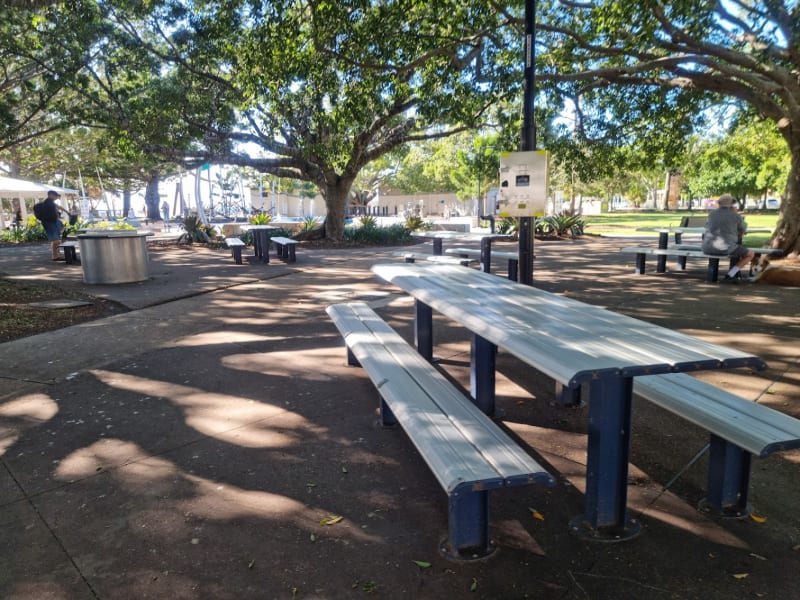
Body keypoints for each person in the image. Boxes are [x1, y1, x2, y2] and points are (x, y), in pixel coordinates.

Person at [701, 194, 755, 283]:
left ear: (718, 203)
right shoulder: (735, 216)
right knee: (750, 254)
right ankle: (731, 274)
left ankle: (719, 276)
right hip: (726, 247)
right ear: (731, 204)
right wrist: (736, 213)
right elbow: (743, 228)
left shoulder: (711, 214)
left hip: (707, 247)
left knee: (735, 248)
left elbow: (707, 226)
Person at [36, 190, 71, 261]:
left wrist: (67, 212)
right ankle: (55, 256)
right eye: (55, 195)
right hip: (49, 223)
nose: (56, 197)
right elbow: (56, 210)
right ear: (51, 195)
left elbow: (58, 208)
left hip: (54, 222)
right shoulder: (47, 203)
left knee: (57, 239)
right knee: (56, 241)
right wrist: (66, 213)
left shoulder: (50, 203)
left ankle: (56, 254)